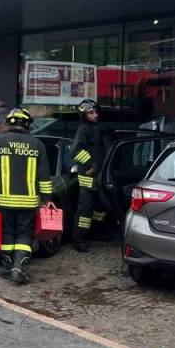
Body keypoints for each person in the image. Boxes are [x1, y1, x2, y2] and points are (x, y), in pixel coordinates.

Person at [0, 107, 53, 284]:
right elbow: (44, 175)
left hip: (5, 200)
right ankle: (19, 269)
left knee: (7, 233)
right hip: (29, 202)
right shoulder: (37, 144)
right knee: (24, 234)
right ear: (28, 124)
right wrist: (46, 199)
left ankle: (7, 267)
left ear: (8, 122)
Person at [71, 98, 109, 252]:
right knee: (85, 210)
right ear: (84, 115)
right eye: (91, 113)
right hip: (88, 176)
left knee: (100, 208)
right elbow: (75, 151)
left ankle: (97, 233)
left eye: (96, 112)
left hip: (100, 176)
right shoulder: (83, 130)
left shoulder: (99, 128)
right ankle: (79, 239)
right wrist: (91, 165)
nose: (95, 115)